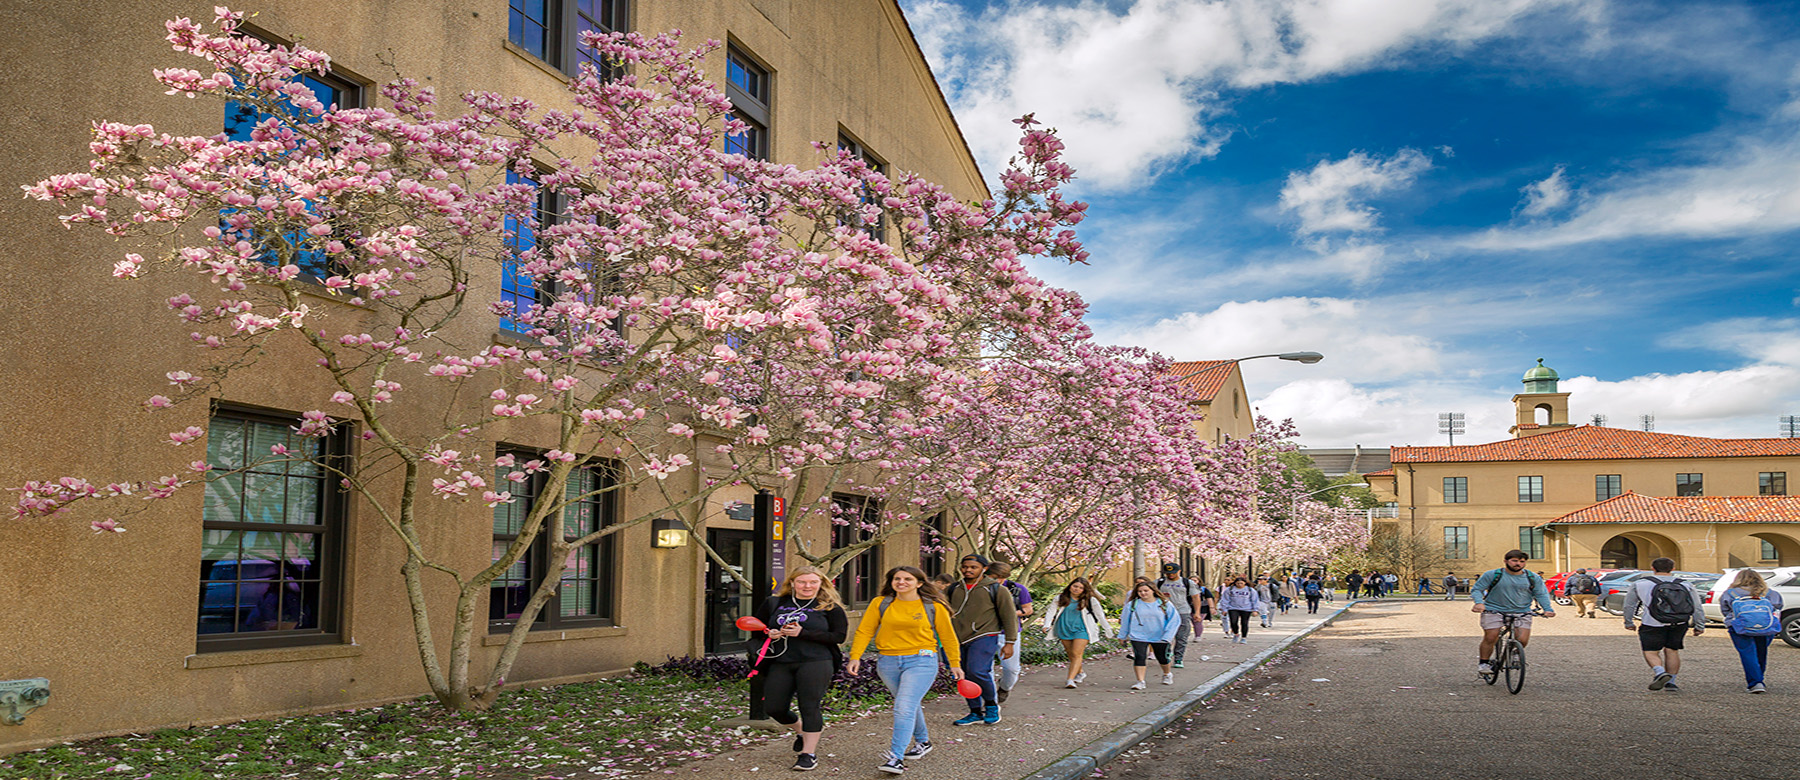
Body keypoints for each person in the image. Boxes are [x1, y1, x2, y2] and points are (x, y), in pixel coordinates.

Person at [847, 566, 964, 776]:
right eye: (896, 579)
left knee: (903, 706)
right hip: (888, 661)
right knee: (908, 704)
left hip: (921, 660)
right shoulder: (880, 603)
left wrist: (955, 663)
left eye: (907, 579)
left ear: (919, 583)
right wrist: (855, 656)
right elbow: (865, 630)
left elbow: (947, 636)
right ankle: (923, 742)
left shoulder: (933, 606)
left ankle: (895, 758)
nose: (901, 582)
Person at [753, 567, 849, 772]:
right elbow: (757, 631)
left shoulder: (829, 607)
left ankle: (808, 754)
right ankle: (799, 731)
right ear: (793, 583)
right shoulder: (775, 603)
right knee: (774, 708)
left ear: (821, 584)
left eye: (813, 582)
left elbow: (838, 637)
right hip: (781, 661)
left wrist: (803, 633)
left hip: (816, 661)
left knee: (810, 706)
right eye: (802, 582)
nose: (808, 586)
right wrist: (769, 633)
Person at [946, 554, 1018, 726]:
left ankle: (992, 706)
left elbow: (1009, 617)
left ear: (984, 569)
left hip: (984, 635)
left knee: (977, 671)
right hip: (957, 638)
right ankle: (975, 711)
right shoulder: (953, 589)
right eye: (965, 566)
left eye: (973, 567)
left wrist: (1010, 642)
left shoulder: (996, 589)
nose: (968, 570)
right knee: (963, 675)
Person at [1622, 557, 1704, 691]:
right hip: (1679, 622)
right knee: (1672, 650)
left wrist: (1628, 622)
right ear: (1673, 568)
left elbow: (1629, 605)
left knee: (1651, 651)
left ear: (1652, 568)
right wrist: (1699, 625)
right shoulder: (1686, 584)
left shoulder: (1640, 583)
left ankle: (1660, 672)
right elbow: (1697, 606)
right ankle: (1671, 682)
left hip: (1652, 622)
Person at [1470, 549, 1557, 677]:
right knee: (1491, 636)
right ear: (1506, 561)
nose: (1518, 564)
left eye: (1522, 561)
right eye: (1514, 561)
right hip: (1494, 609)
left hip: (1522, 611)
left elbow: (1541, 593)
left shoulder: (1532, 577)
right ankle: (1484, 663)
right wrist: (1479, 602)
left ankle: (1516, 654)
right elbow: (1477, 589)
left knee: (1522, 639)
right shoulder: (1493, 574)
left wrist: (1548, 609)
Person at [1720, 569, 1785, 693]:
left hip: (1740, 627)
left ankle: (1756, 682)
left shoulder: (1731, 593)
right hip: (1765, 627)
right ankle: (1759, 678)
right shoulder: (1770, 593)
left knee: (1747, 653)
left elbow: (1725, 610)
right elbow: (1778, 607)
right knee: (1761, 652)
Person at [1042, 577, 1113, 688]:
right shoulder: (1060, 598)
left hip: (1082, 629)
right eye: (1075, 586)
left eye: (1080, 588)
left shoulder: (1090, 600)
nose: (1077, 589)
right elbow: (1051, 611)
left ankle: (1070, 679)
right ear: (1070, 586)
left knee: (1076, 653)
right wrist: (1046, 624)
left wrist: (1107, 629)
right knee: (1071, 653)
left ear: (1084, 590)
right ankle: (1080, 672)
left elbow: (1100, 615)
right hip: (1064, 628)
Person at [1117, 581, 1181, 689]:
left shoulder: (1164, 603)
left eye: (1146, 591)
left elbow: (1174, 620)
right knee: (1140, 656)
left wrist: (1168, 636)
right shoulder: (1133, 604)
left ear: (1153, 591)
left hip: (1160, 636)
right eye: (1140, 591)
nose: (1143, 593)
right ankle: (1140, 681)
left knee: (1162, 658)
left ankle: (1167, 673)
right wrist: (1122, 636)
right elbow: (1125, 621)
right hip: (1138, 635)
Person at [986, 561, 1033, 703]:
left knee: (1011, 668)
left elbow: (1028, 609)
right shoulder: (982, 588)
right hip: (985, 632)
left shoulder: (1017, 589)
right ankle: (990, 698)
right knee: (986, 668)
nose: (996, 581)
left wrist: (1009, 613)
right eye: (993, 577)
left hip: (1008, 632)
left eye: (999, 577)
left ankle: (1005, 687)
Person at [1155, 563, 1203, 668]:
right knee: (1164, 635)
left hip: (1183, 611)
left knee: (1182, 636)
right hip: (1164, 612)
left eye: (1173, 573)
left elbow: (1196, 597)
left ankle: (1178, 658)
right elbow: (1151, 595)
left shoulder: (1187, 582)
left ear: (1179, 571)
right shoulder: (1159, 582)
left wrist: (1197, 613)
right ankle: (1166, 654)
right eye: (1168, 573)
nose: (1170, 575)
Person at [1219, 576, 1261, 644]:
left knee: (1244, 623)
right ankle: (1236, 634)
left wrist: (1255, 610)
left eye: (1241, 583)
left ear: (1245, 583)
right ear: (1235, 583)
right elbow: (1225, 599)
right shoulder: (1230, 589)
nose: (1239, 585)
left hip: (1246, 608)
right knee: (1233, 622)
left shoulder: (1250, 590)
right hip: (1233, 607)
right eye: (1238, 583)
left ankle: (1244, 637)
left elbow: (1255, 600)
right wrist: (1224, 609)